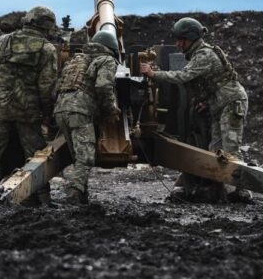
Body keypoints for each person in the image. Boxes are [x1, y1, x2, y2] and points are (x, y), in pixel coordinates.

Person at [140, 17, 251, 202]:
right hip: (219, 104)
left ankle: (242, 191)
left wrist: (153, 74)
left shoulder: (204, 55)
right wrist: (208, 101)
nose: (178, 44)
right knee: (215, 150)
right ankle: (216, 189)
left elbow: (184, 76)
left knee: (230, 148)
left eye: (181, 39)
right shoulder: (198, 54)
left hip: (232, 102)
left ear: (191, 38)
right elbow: (215, 82)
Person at [0, 6, 58, 205]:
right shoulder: (47, 49)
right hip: (27, 111)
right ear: (48, 27)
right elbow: (46, 87)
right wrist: (48, 114)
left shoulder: (5, 41)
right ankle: (44, 201)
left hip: (0, 107)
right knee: (37, 157)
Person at [54, 31, 121, 204]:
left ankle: (82, 195)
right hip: (80, 111)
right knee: (85, 156)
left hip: (61, 109)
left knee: (76, 155)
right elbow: (103, 86)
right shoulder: (106, 60)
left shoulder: (76, 60)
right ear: (112, 48)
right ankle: (74, 194)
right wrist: (110, 110)